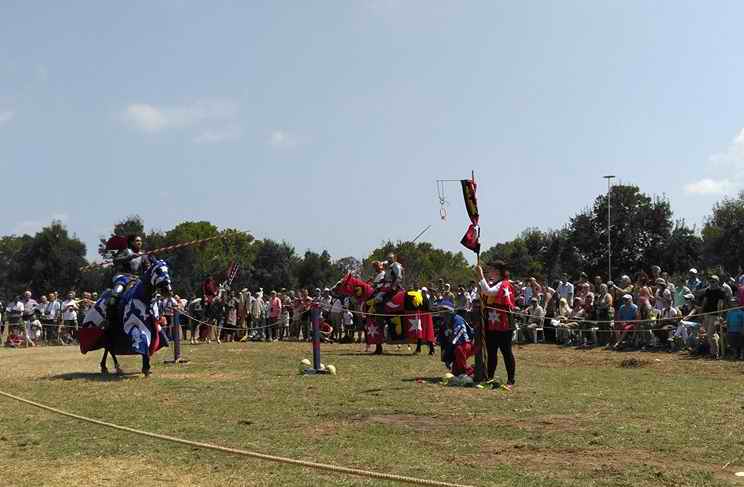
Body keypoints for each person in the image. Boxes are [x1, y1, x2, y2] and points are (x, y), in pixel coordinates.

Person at [476, 260, 516, 390]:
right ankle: (490, 378)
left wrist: (481, 275)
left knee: (506, 351)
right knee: (491, 352)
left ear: (498, 271)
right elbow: (485, 293)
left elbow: (488, 292)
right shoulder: (495, 283)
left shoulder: (504, 284)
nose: (489, 271)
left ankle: (511, 380)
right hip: (492, 323)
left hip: (503, 324)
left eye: (491, 269)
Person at [108, 235, 145, 326]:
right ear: (132, 242)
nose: (139, 242)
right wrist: (130, 257)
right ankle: (110, 317)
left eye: (140, 241)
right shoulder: (125, 251)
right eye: (137, 241)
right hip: (122, 276)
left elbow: (146, 268)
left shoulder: (143, 254)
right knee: (117, 291)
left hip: (136, 279)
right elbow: (116, 260)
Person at [700, 275, 726, 359]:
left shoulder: (721, 291)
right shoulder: (708, 290)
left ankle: (715, 353)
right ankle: (713, 352)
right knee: (709, 334)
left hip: (715, 315)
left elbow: (720, 304)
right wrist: (701, 312)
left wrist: (719, 316)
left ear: (717, 282)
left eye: (713, 281)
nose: (712, 283)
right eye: (710, 281)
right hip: (707, 314)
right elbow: (705, 301)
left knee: (710, 334)